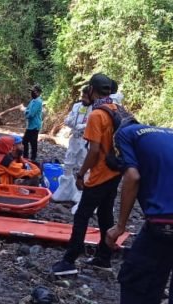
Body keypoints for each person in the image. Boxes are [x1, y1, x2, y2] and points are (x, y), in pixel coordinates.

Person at [52, 73, 121, 275]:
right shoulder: (116, 109)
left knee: (82, 215)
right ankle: (103, 258)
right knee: (106, 214)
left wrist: (81, 174)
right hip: (116, 171)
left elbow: (94, 150)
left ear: (91, 90)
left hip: (100, 173)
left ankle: (69, 261)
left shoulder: (96, 115)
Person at [106, 122, 173, 304]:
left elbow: (132, 177)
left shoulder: (125, 134)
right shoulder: (167, 133)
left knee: (138, 280)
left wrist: (120, 226)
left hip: (165, 222)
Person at [53, 86, 92, 203]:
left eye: (86, 97)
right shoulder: (77, 106)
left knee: (83, 163)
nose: (83, 99)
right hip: (74, 138)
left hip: (86, 140)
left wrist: (84, 126)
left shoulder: (95, 109)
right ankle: (65, 188)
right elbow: (69, 119)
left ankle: (81, 192)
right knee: (68, 161)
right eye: (82, 96)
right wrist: (71, 122)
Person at [22, 84, 43, 161]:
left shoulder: (38, 102)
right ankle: (26, 157)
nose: (32, 93)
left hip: (35, 125)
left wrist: (26, 112)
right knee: (25, 141)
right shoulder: (33, 101)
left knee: (32, 142)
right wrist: (26, 111)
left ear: (38, 93)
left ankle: (32, 158)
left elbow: (31, 114)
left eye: (33, 91)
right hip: (30, 125)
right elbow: (27, 110)